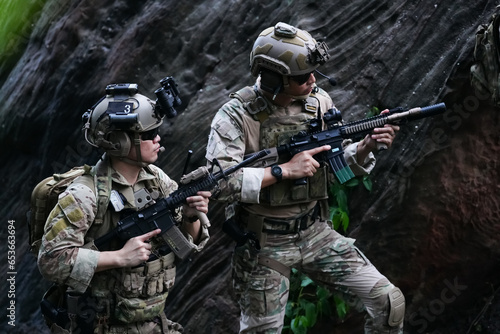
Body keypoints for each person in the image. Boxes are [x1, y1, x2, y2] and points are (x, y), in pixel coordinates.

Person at [205, 22, 405, 333]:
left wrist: (366, 146)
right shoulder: (235, 116)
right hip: (264, 243)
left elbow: (337, 162)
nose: (312, 80)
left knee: (389, 302)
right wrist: (283, 171)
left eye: (314, 72)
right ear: (274, 78)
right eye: (301, 77)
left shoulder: (319, 103)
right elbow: (218, 184)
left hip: (316, 233)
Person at [37, 83, 211, 334]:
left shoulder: (156, 179)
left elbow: (185, 244)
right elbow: (50, 260)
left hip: (153, 323)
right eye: (149, 134)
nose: (158, 138)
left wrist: (191, 216)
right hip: (101, 326)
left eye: (157, 131)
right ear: (118, 141)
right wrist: (119, 257)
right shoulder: (85, 195)